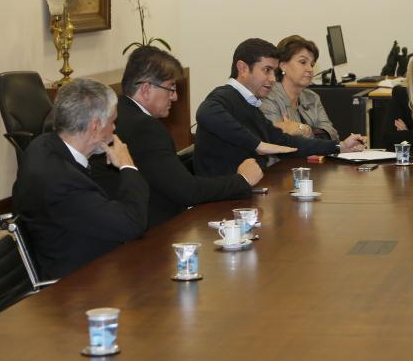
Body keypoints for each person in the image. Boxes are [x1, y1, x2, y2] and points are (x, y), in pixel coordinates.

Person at [107, 46, 262, 226]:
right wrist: (242, 179)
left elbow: (164, 170)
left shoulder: (120, 112)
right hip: (152, 232)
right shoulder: (145, 127)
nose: (174, 97)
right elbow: (187, 191)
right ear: (146, 89)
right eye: (170, 88)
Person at [12, 79, 149, 280]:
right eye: (112, 122)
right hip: (79, 283)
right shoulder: (61, 182)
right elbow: (132, 225)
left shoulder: (42, 145)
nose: (114, 129)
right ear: (95, 126)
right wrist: (128, 166)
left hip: (84, 257)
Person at [194, 38, 365, 177]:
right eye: (266, 70)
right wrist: (258, 144)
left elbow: (286, 142)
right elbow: (205, 112)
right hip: (221, 206)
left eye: (273, 72)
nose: (272, 78)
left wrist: (339, 146)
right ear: (243, 68)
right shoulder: (225, 95)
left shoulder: (250, 103)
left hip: (244, 193)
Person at [260, 35, 338, 141]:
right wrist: (314, 134)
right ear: (283, 65)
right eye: (303, 62)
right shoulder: (268, 97)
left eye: (312, 64)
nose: (310, 69)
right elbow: (278, 140)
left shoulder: (312, 97)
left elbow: (333, 135)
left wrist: (304, 130)